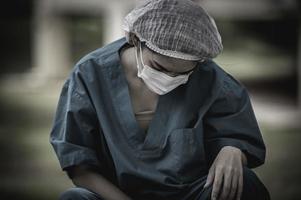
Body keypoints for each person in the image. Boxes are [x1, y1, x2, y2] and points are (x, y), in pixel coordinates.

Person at [50, 0, 271, 199]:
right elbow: (79, 166)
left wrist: (233, 150)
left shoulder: (211, 80)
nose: (168, 79)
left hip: (189, 194)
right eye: (159, 67)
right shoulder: (89, 76)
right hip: (115, 194)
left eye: (182, 74)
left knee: (247, 184)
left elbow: (236, 135)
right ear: (136, 39)